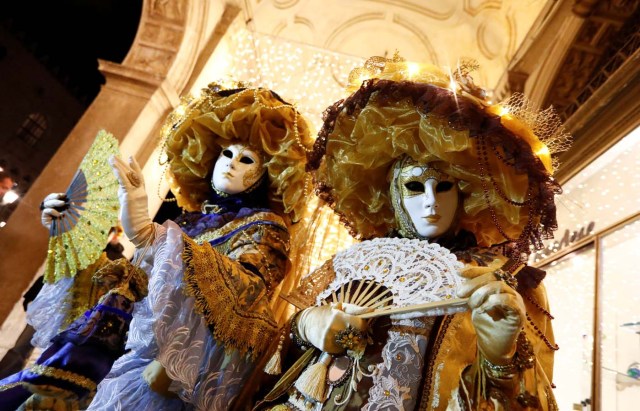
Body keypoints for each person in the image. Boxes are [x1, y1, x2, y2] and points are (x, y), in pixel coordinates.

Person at [250, 56, 567, 410]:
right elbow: (276, 361)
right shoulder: (351, 264)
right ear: (392, 194)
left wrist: (500, 359)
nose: (431, 203)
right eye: (415, 187)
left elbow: (532, 399)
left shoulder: (506, 279)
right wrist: (305, 325)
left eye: (444, 186)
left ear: (465, 192)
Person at [87, 84, 314, 410]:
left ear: (267, 175)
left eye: (247, 159)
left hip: (177, 376)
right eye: (227, 153)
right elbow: (140, 287)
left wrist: (172, 362)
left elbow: (244, 296)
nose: (232, 163)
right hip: (124, 354)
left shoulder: (265, 227)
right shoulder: (189, 221)